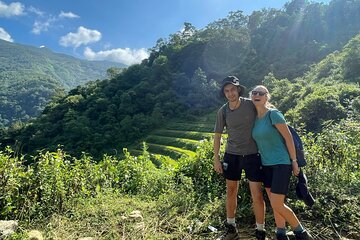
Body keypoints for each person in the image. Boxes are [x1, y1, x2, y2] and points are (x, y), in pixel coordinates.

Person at [250, 85, 313, 240]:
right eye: (254, 93)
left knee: (278, 203)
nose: (256, 95)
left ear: (266, 97)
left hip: (281, 164)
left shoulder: (274, 114)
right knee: (274, 202)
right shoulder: (255, 119)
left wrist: (294, 161)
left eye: (261, 93)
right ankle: (281, 233)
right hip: (266, 165)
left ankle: (302, 233)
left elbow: (288, 139)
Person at [214, 76, 266, 240]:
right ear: (224, 93)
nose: (230, 93)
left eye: (232, 89)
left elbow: (266, 112)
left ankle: (260, 230)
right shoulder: (223, 111)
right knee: (231, 191)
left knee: (256, 193)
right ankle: (231, 229)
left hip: (252, 155)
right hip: (232, 155)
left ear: (238, 90)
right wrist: (216, 158)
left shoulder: (250, 104)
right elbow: (217, 135)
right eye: (227, 91)